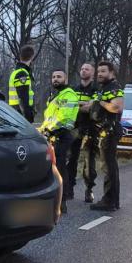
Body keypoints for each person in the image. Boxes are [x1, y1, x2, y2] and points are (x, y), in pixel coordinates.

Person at [40, 69, 80, 213]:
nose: (55, 79)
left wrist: (49, 130)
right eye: (53, 76)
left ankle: (61, 204)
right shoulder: (55, 96)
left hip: (62, 136)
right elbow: (49, 119)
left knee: (60, 170)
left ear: (66, 79)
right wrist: (41, 131)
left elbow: (64, 117)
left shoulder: (68, 95)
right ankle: (54, 201)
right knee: (52, 169)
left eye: (59, 77)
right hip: (52, 136)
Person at [90, 61, 125, 212]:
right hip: (104, 131)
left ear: (111, 73)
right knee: (108, 166)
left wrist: (100, 102)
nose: (99, 74)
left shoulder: (115, 88)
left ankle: (109, 201)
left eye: (103, 71)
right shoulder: (103, 88)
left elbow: (117, 107)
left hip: (110, 131)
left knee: (109, 167)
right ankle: (111, 200)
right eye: (98, 71)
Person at [68, 63, 99, 203]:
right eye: (81, 68)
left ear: (92, 73)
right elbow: (71, 107)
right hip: (75, 128)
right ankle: (70, 189)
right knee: (72, 159)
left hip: (91, 129)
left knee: (89, 161)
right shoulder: (74, 89)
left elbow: (92, 108)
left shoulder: (97, 89)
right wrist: (84, 105)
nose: (83, 70)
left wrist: (79, 105)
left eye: (87, 69)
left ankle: (89, 190)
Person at [8, 45, 36, 123]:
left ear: (20, 57)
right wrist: (28, 117)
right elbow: (23, 98)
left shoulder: (16, 72)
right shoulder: (22, 73)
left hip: (16, 113)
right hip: (21, 116)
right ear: (32, 57)